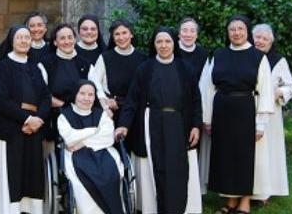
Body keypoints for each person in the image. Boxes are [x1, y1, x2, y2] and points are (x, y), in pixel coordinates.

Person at [116, 27, 203, 214]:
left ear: (174, 43)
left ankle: (180, 208)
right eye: (159, 42)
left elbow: (196, 99)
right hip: (151, 122)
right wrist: (123, 124)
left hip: (180, 123)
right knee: (156, 166)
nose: (163, 46)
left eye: (167, 41)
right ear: (153, 44)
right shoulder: (145, 69)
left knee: (177, 167)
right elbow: (132, 100)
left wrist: (196, 125)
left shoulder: (185, 68)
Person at [201, 15, 274, 214]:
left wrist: (261, 124)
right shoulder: (219, 55)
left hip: (245, 110)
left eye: (240, 29)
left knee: (244, 157)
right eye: (232, 29)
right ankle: (230, 201)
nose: (236, 33)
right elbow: (207, 88)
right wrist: (207, 119)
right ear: (228, 32)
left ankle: (245, 202)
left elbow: (265, 90)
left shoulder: (258, 57)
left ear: (247, 31)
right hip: (222, 110)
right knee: (225, 157)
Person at [0, 25, 52, 214]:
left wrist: (38, 119)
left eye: (27, 38)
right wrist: (26, 120)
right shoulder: (2, 66)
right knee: (12, 173)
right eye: (19, 38)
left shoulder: (35, 67)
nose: (24, 41)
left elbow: (45, 97)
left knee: (31, 173)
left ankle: (29, 210)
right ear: (11, 41)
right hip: (9, 127)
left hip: (33, 129)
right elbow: (1, 100)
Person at [58, 80, 125, 214]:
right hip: (75, 155)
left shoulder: (101, 114)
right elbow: (70, 139)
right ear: (75, 95)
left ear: (95, 97)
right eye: (82, 93)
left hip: (103, 153)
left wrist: (83, 142)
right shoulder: (64, 115)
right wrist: (94, 131)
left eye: (90, 94)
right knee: (81, 183)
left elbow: (107, 137)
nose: (86, 98)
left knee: (111, 176)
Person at [250, 23, 292, 203]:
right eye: (258, 37)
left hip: (270, 114)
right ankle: (246, 190)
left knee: (267, 151)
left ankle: (264, 192)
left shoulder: (278, 61)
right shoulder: (246, 56)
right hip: (247, 108)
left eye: (265, 38)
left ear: (271, 41)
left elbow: (290, 85)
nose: (260, 41)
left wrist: (279, 93)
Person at [89, 19, 148, 148]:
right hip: (113, 112)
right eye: (117, 34)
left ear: (131, 34)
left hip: (137, 112)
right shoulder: (105, 57)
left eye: (124, 33)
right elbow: (94, 83)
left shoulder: (143, 58)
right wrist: (105, 101)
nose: (121, 37)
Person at [175, 17, 211, 191]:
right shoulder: (170, 49)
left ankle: (193, 190)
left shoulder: (203, 54)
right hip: (173, 105)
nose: (188, 34)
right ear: (179, 33)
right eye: (185, 30)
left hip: (194, 105)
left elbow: (205, 85)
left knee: (193, 146)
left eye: (192, 31)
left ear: (197, 35)